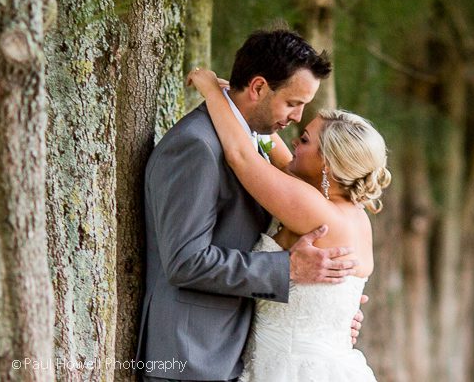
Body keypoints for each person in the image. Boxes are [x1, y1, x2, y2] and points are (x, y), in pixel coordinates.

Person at [136, 29, 365, 382]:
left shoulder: (248, 142)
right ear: (258, 87)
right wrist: (287, 270)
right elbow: (185, 261)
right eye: (292, 103)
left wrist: (329, 310)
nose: (297, 118)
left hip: (231, 355)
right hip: (190, 358)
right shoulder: (197, 147)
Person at [187, 66, 391, 382]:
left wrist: (213, 92)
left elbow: (242, 156)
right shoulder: (350, 212)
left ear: (327, 165)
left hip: (291, 370)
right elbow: (280, 157)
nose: (294, 141)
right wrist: (245, 107)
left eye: (305, 140)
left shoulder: (316, 212)